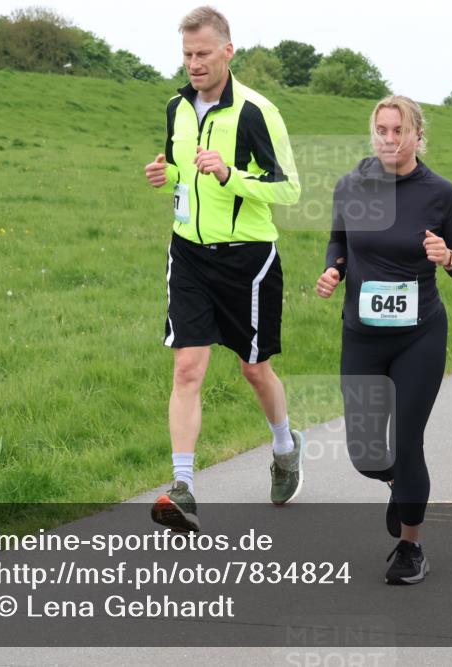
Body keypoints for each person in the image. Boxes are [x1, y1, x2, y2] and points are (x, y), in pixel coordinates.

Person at [143, 6, 302, 532]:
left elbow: (289, 189)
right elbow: (181, 173)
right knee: (187, 367)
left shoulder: (257, 112)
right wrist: (165, 176)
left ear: (228, 52)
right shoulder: (177, 107)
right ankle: (183, 488)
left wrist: (231, 174)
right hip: (188, 252)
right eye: (187, 54)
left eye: (203, 54)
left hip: (247, 259)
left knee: (254, 369)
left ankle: (285, 447)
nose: (194, 64)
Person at [316, 95, 452, 585]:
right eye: (382, 130)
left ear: (417, 135)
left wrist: (448, 256)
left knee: (407, 443)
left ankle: (411, 546)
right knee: (366, 452)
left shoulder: (440, 193)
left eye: (399, 130)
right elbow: (339, 239)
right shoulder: (351, 186)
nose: (389, 139)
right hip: (362, 336)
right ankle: (398, 485)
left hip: (418, 336)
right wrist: (333, 269)